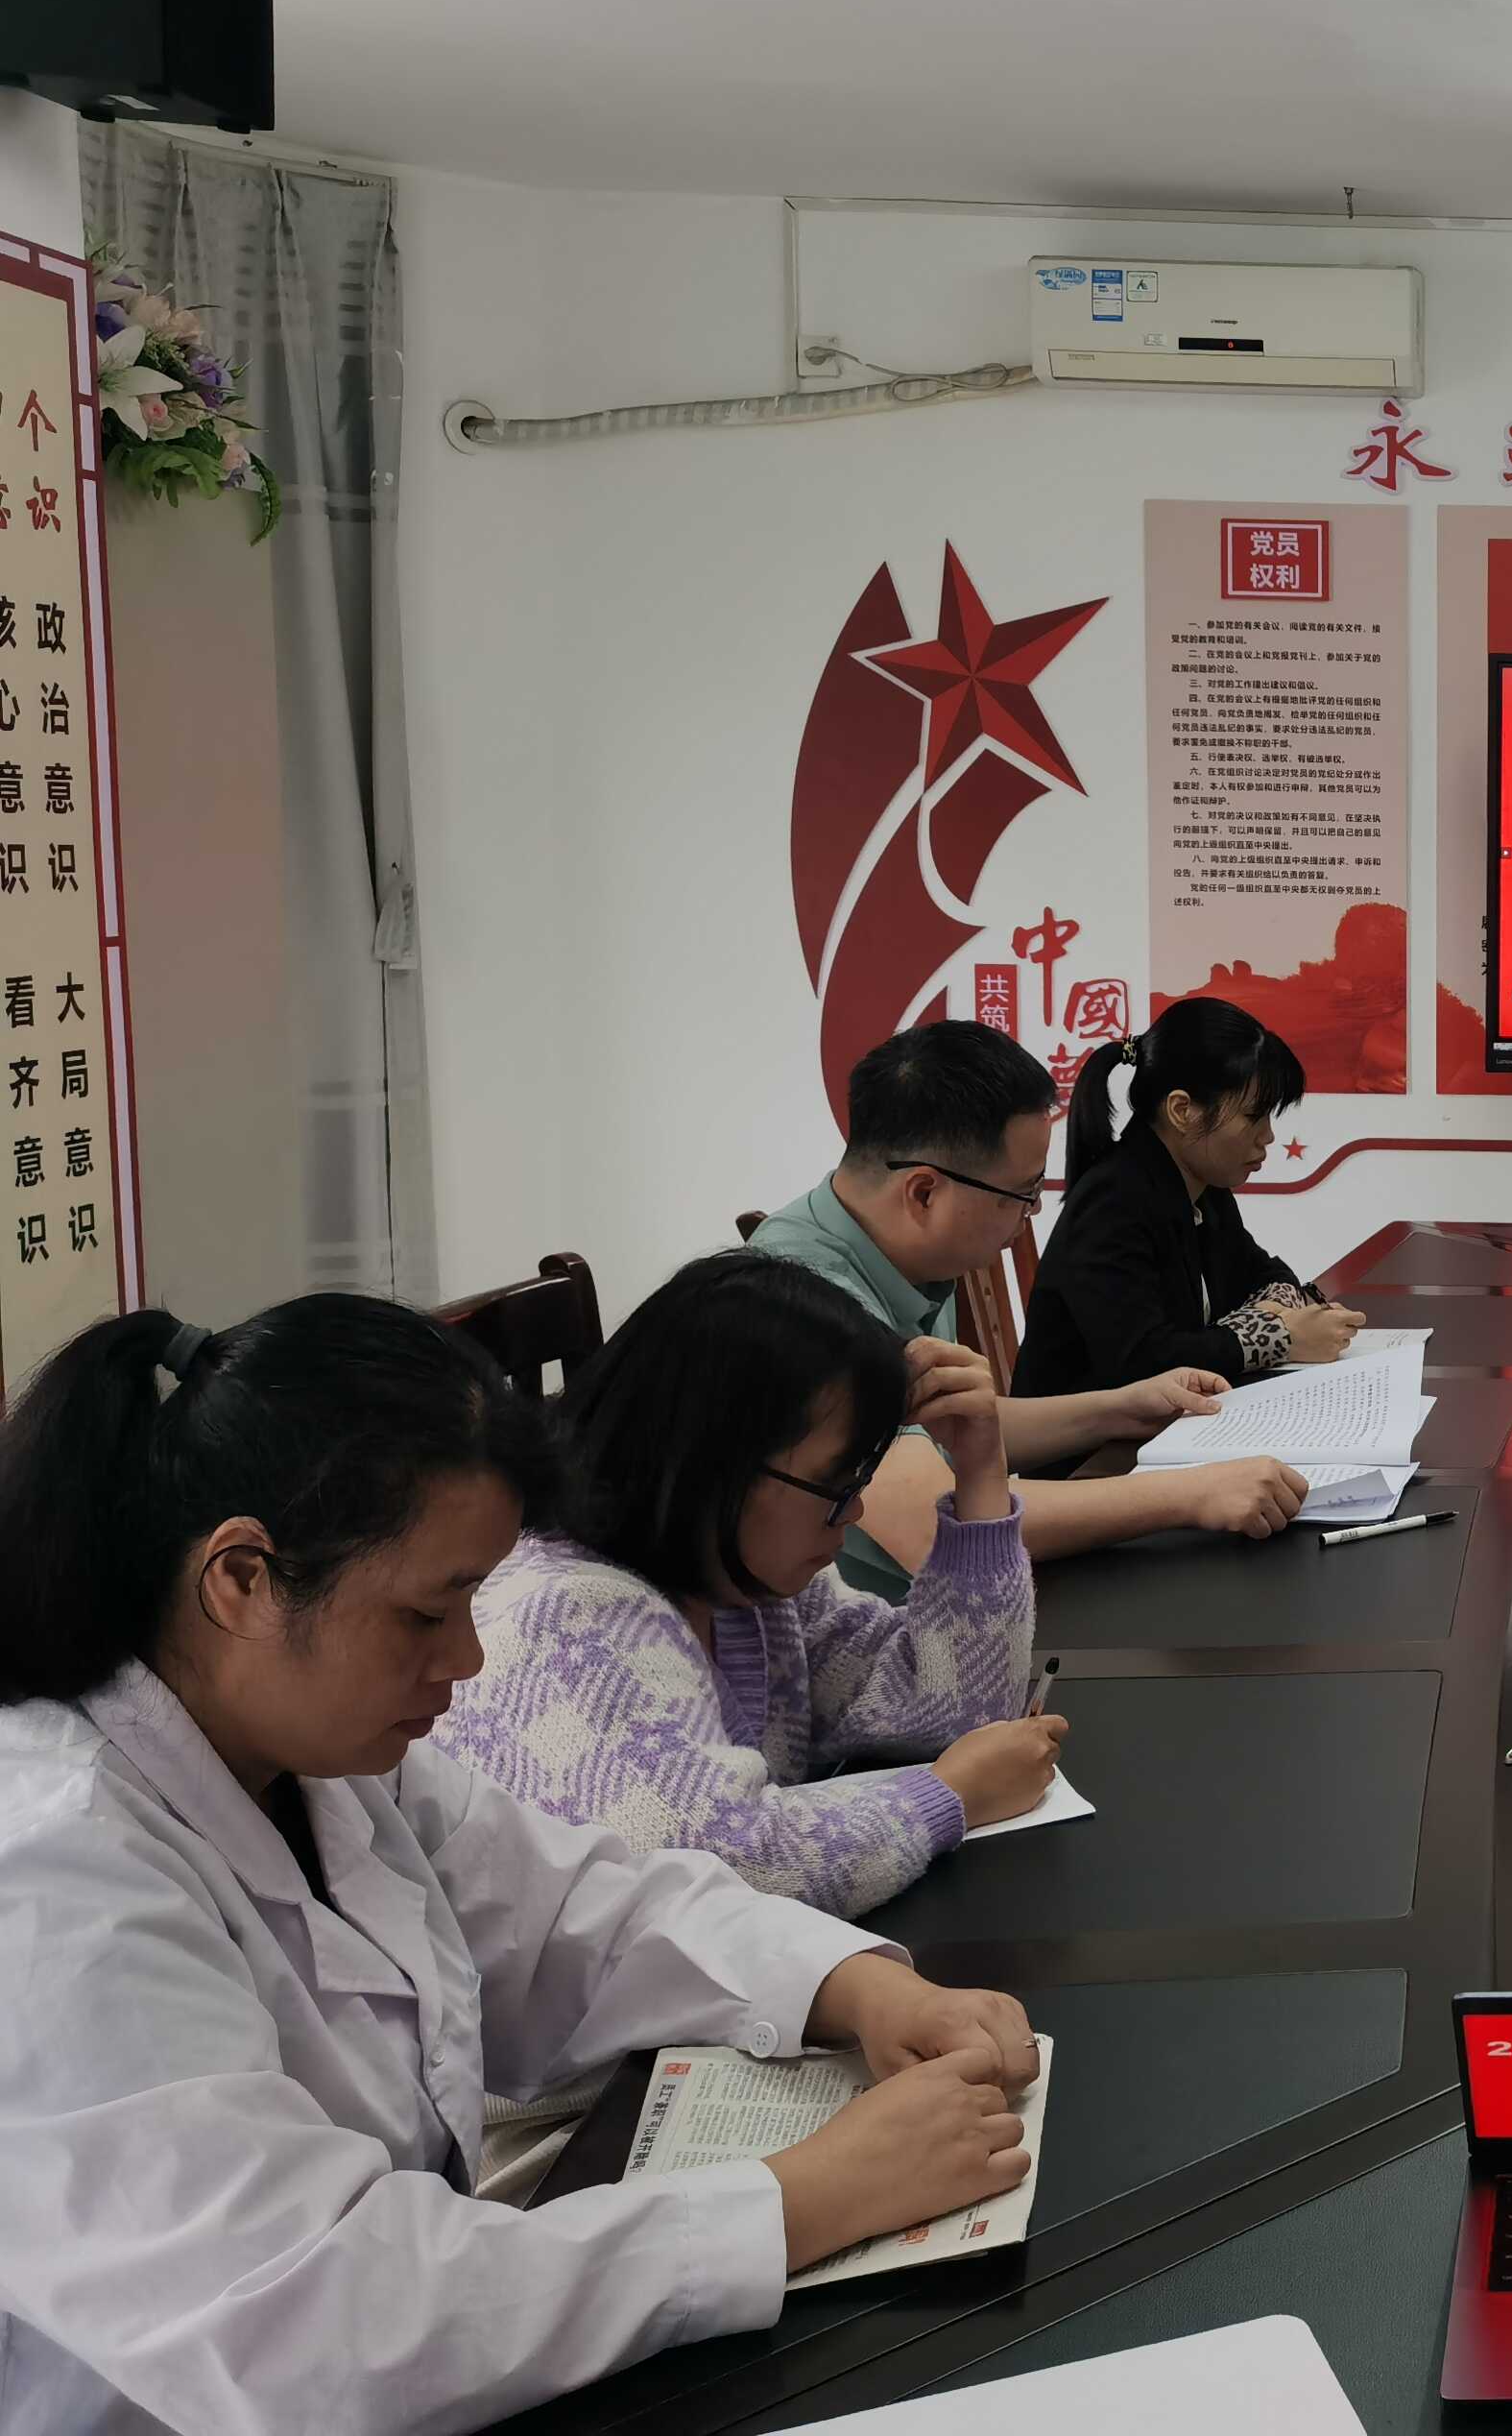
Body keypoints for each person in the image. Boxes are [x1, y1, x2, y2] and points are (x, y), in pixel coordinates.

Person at [0, 1297, 1043, 2436]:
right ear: (242, 1578)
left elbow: (576, 1913)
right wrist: (803, 2200)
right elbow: (316, 2328)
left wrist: (853, 1987)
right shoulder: (56, 1885)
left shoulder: (310, 1752)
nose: (468, 1656)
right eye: (428, 1612)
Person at [434, 1255, 1069, 1918]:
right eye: (836, 1485)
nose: (854, 1511)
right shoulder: (566, 1623)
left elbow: (952, 1706)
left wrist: (981, 1472)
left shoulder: (743, 1586)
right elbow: (724, 1872)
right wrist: (950, 1795)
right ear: (714, 1465)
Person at [753, 1020, 1309, 1596]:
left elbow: (954, 1427)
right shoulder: (803, 1298)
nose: (1033, 1214)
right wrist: (1194, 1493)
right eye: (1023, 1193)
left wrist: (1125, 1408)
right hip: (874, 1624)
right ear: (924, 1192)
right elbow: (932, 1528)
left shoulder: (904, 1254)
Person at [1016, 997, 1365, 1399]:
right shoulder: (1112, 1202)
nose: (1268, 1136)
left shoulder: (1204, 1187)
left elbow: (1265, 1273)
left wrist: (1280, 1319)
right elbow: (1143, 1361)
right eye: (1254, 1116)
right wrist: (1280, 1336)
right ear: (1182, 1111)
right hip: (1092, 1438)